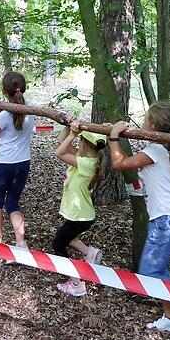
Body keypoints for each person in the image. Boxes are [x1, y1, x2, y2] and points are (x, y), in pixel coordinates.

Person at [108, 102, 170, 340]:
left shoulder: (154, 152)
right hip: (169, 217)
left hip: (169, 219)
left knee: (150, 272)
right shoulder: (159, 148)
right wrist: (112, 131)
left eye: (145, 119)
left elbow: (119, 163)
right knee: (158, 270)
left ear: (152, 125)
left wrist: (113, 138)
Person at [0, 72, 35, 252]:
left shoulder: (3, 116)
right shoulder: (30, 112)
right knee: (12, 203)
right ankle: (21, 243)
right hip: (23, 164)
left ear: (4, 91)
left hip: (5, 164)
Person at [52, 118, 106, 297]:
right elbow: (62, 143)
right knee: (67, 237)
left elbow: (59, 153)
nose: (77, 141)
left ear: (84, 143)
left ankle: (76, 284)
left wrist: (73, 134)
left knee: (58, 244)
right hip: (80, 214)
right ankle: (89, 253)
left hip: (81, 216)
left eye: (80, 139)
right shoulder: (85, 158)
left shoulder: (86, 163)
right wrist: (69, 127)